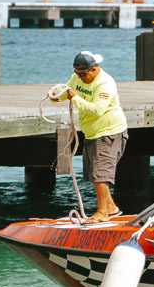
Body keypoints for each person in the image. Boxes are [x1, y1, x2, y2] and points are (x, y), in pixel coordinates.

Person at [52, 50, 128, 222]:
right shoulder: (77, 77)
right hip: (92, 133)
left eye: (83, 74)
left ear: (94, 69)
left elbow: (97, 110)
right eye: (77, 74)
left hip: (109, 132)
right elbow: (67, 91)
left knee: (101, 174)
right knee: (94, 174)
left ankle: (102, 213)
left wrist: (76, 99)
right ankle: (111, 208)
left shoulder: (105, 83)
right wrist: (56, 96)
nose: (80, 78)